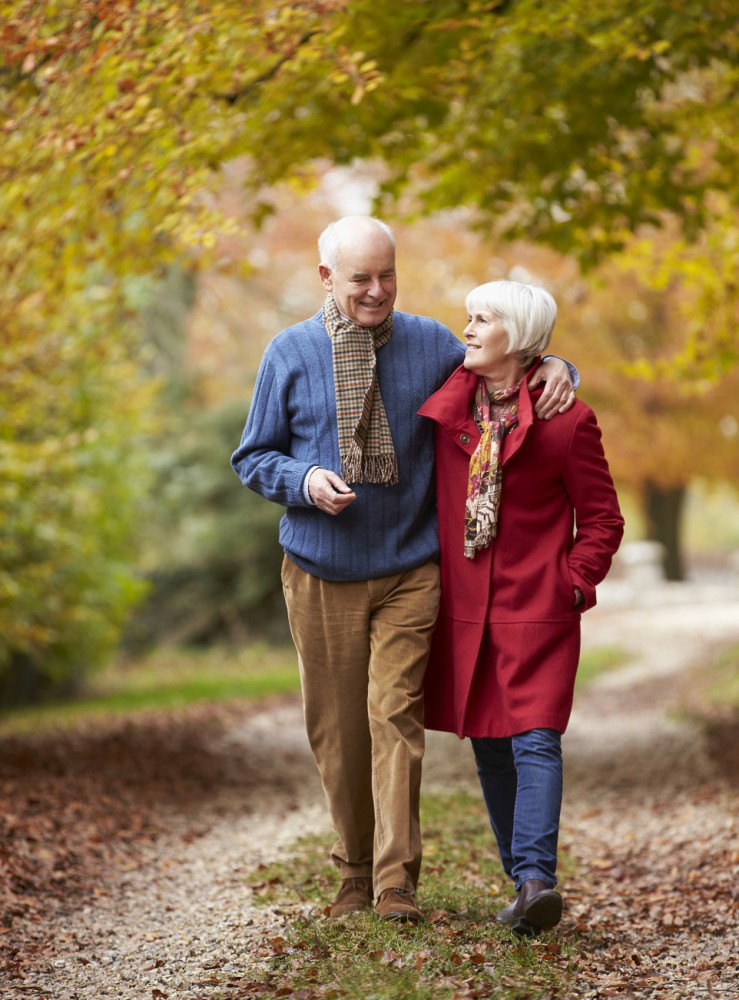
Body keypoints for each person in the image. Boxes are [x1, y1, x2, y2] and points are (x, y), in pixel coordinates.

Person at [231, 217, 577, 924]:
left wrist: (558, 366)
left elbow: (503, 368)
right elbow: (253, 456)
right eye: (360, 278)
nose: (376, 290)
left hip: (411, 567)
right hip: (319, 567)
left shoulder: (430, 344)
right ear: (326, 278)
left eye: (386, 275)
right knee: (337, 730)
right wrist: (303, 481)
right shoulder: (289, 353)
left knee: (394, 716)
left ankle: (395, 882)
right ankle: (352, 870)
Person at [418, 279, 624, 935]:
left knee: (535, 740)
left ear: (520, 335)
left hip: (537, 607)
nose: (468, 329)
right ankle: (523, 887)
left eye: (483, 320)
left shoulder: (568, 421)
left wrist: (570, 582)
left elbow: (601, 521)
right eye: (468, 317)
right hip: (462, 610)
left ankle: (536, 878)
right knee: (487, 746)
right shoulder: (448, 404)